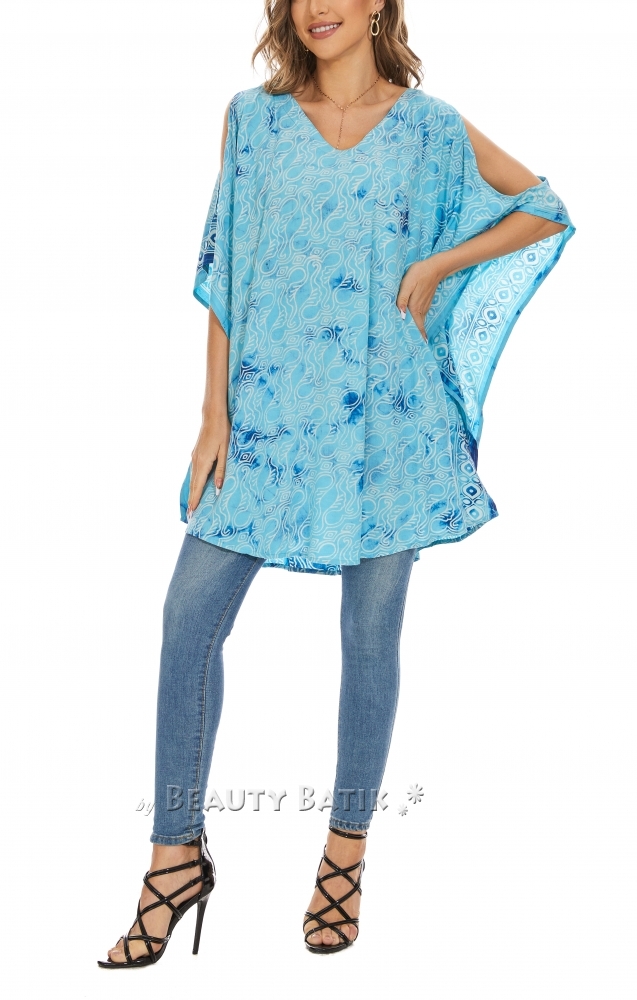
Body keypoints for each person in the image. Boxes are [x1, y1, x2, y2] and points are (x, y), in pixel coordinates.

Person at [98, 0, 574, 968]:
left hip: (385, 422)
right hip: (264, 415)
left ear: (378, 5)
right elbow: (227, 268)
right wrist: (212, 414)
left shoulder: (430, 128)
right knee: (187, 621)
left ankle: (344, 855)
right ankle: (174, 857)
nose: (317, 7)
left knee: (367, 638)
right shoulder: (253, 120)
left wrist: (440, 263)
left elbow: (543, 207)